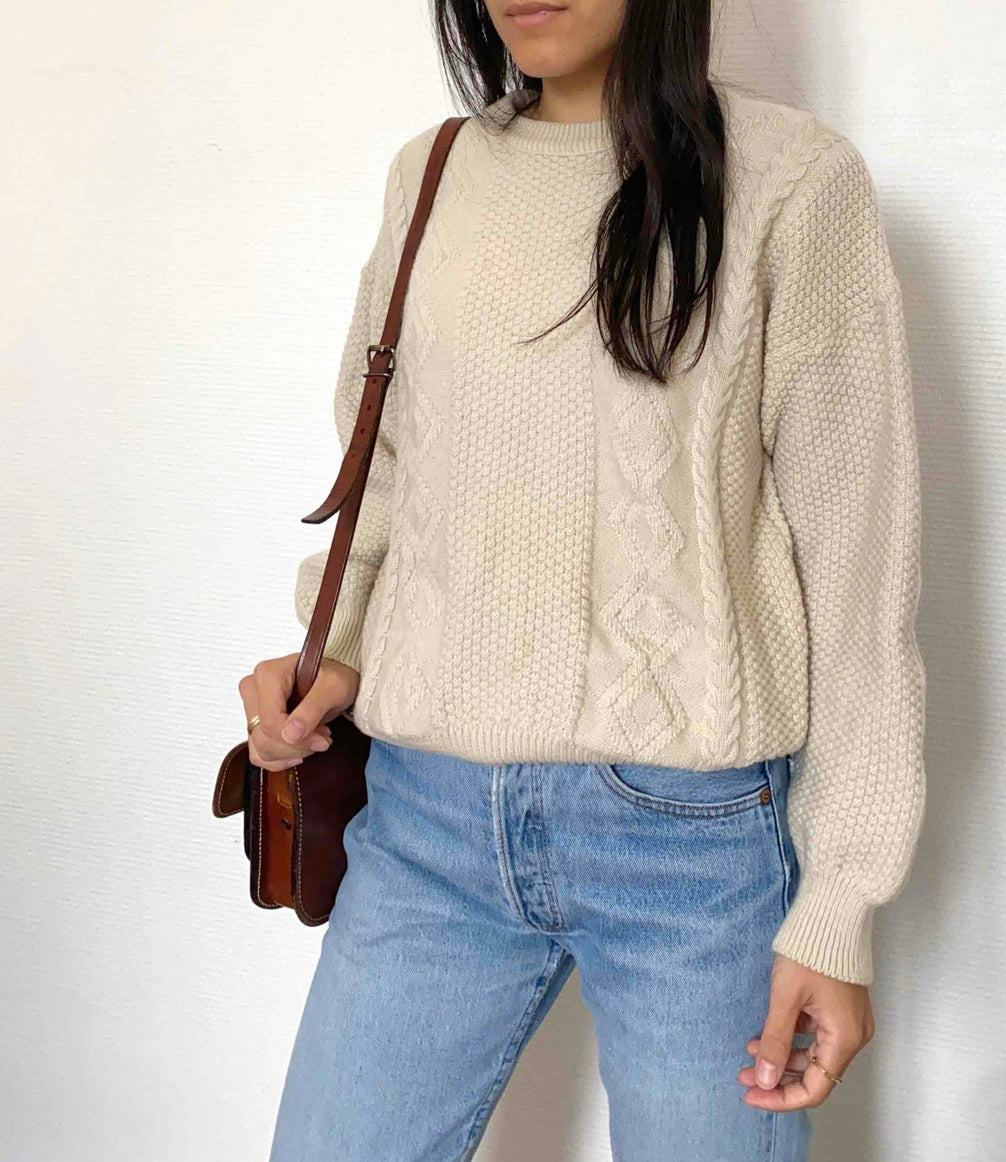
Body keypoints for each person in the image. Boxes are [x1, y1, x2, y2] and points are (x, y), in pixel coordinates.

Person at [238, 1, 926, 1158]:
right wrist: (333, 644)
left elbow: (860, 569)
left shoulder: (794, 183)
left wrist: (839, 905)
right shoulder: (432, 176)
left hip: (690, 848)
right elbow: (389, 466)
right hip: (426, 822)